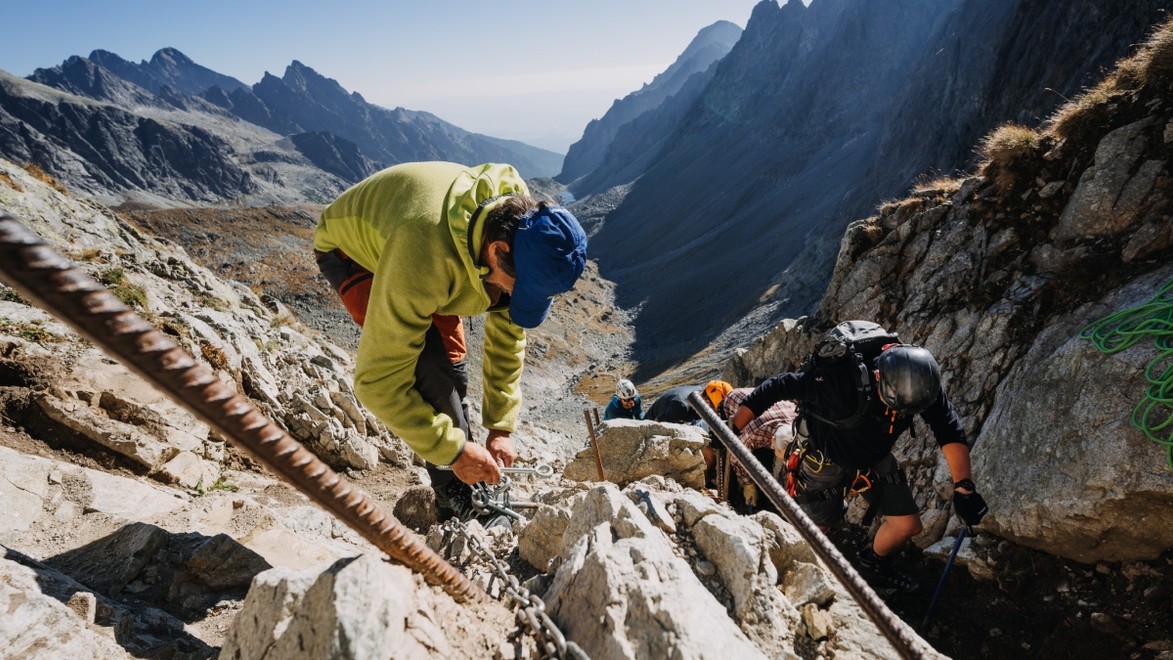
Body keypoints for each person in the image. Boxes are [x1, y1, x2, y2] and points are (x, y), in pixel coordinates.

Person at [313, 161, 587, 520]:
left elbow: (508, 325)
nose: (512, 298)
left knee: (454, 371)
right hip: (355, 254)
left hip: (428, 257)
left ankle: (466, 474)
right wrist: (453, 451)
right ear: (498, 250)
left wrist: (500, 427)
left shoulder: (524, 228)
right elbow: (377, 383)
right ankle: (456, 498)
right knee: (428, 370)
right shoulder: (422, 255)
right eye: (517, 289)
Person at [730, 340, 988, 593]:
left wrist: (964, 488)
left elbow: (947, 427)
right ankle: (794, 584)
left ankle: (873, 565)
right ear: (877, 377)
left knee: (907, 525)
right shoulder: (837, 382)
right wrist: (732, 428)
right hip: (824, 457)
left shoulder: (920, 383)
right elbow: (778, 386)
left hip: (872, 454)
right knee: (816, 532)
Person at [715, 387, 797, 514]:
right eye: (780, 455)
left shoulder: (799, 425)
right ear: (773, 440)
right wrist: (748, 484)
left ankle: (764, 503)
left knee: (765, 461)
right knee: (729, 459)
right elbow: (736, 456)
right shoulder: (754, 432)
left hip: (772, 412)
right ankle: (730, 503)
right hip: (733, 404)